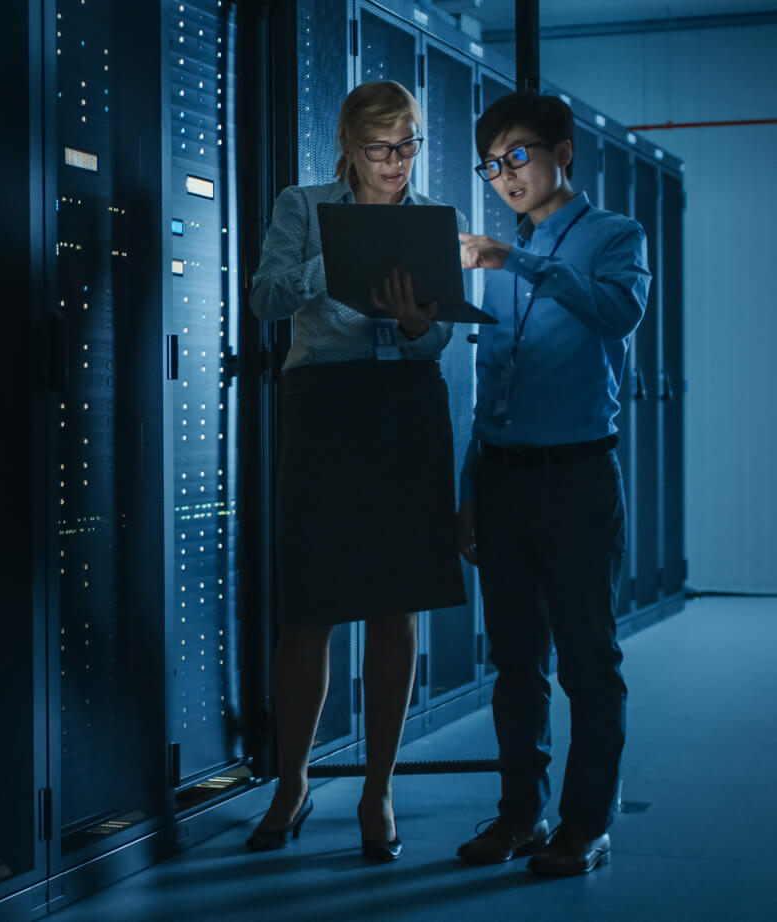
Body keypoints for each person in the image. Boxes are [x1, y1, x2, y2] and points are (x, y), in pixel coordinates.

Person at [246, 80, 466, 862]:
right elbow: (265, 298)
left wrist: (415, 326)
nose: (396, 163)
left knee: (395, 604)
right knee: (308, 607)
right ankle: (293, 780)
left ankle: (379, 789)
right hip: (324, 407)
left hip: (404, 406)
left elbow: (439, 341)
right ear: (348, 146)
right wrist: (330, 262)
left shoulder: (439, 220)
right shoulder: (302, 205)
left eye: (408, 146)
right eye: (381, 149)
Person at [454, 90, 650, 876]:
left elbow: (618, 313)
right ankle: (518, 816)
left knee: (588, 666)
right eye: (493, 163)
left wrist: (518, 260)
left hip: (577, 478)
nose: (505, 175)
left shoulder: (615, 235)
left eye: (520, 155)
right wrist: (469, 486)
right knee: (514, 663)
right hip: (502, 482)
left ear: (563, 151)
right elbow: (492, 382)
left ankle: (585, 824)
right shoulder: (497, 262)